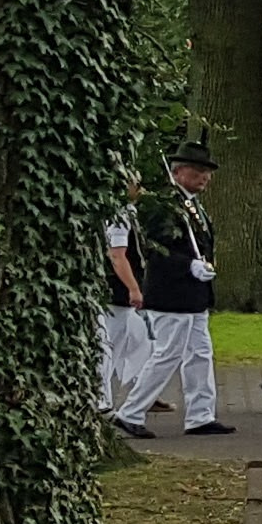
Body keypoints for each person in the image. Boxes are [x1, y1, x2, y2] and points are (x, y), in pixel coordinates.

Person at [123, 142, 228, 435]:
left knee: (200, 354)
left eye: (207, 172)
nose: (204, 177)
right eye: (197, 171)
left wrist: (202, 266)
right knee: (168, 353)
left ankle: (200, 415)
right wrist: (188, 266)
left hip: (194, 294)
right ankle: (131, 411)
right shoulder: (162, 205)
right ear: (178, 172)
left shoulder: (192, 205)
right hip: (171, 292)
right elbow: (155, 249)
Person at [98, 175, 149, 424]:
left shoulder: (127, 212)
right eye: (136, 184)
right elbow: (117, 255)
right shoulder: (118, 216)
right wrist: (133, 288)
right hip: (115, 290)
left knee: (136, 340)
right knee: (108, 345)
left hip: (119, 292)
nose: (141, 189)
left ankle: (140, 387)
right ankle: (101, 400)